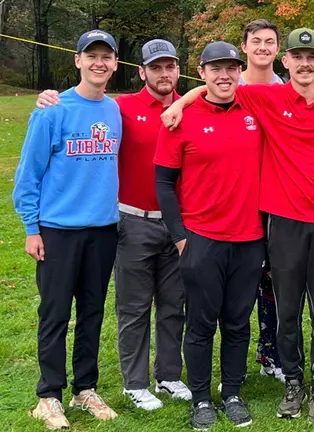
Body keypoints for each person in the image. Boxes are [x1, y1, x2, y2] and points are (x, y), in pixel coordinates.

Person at [160, 28, 314, 423]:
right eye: (296, 57)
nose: (304, 63)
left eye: (311, 57)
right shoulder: (267, 96)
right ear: (286, 62)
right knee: (286, 313)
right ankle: (293, 383)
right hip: (283, 224)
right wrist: (180, 101)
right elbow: (219, 86)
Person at [34, 40, 193, 410]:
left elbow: (219, 91)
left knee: (174, 305)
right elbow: (84, 108)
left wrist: (187, 99)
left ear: (178, 70)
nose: (164, 73)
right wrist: (48, 98)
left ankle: (168, 375)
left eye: (171, 67)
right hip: (132, 221)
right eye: (156, 67)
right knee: (133, 308)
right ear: (141, 72)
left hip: (180, 224)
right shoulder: (120, 108)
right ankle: (134, 383)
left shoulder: (193, 108)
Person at [13, 29, 122, 430]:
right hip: (57, 229)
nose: (99, 63)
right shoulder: (52, 109)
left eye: (106, 57)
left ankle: (85, 388)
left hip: (104, 229)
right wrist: (31, 227)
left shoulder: (114, 110)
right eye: (91, 55)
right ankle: (49, 395)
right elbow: (27, 175)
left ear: (114, 64)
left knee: (92, 312)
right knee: (56, 313)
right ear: (77, 60)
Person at [154, 41, 265, 430]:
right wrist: (181, 238)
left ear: (239, 71)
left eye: (231, 68)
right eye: (215, 69)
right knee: (201, 324)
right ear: (201, 72)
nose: (224, 76)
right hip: (202, 239)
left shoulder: (253, 108)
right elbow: (164, 184)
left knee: (237, 322)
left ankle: (231, 392)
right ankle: (201, 398)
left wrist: (183, 98)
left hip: (250, 239)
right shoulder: (179, 119)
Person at [240, 18, 285, 384]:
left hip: (275, 198)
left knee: (273, 280)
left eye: (269, 41)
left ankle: (271, 351)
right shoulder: (229, 85)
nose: (263, 48)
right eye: (256, 41)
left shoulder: (287, 90)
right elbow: (196, 94)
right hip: (235, 197)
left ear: (278, 49)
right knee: (241, 283)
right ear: (245, 47)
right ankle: (233, 356)